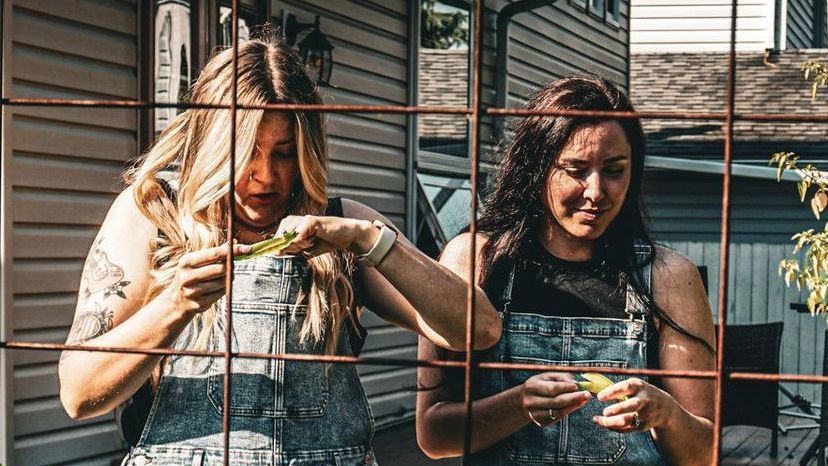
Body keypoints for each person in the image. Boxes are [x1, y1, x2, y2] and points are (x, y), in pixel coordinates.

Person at [57, 35, 501, 466]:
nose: (265, 176)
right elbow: (78, 394)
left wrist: (371, 241)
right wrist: (176, 303)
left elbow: (479, 331)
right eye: (246, 152)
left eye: (285, 154)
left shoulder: (345, 227)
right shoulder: (154, 216)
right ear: (211, 145)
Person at [416, 76, 715, 465]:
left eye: (614, 170)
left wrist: (666, 414)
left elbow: (705, 453)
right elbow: (434, 435)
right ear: (536, 168)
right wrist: (518, 404)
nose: (596, 191)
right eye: (575, 169)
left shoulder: (669, 276)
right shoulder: (475, 261)